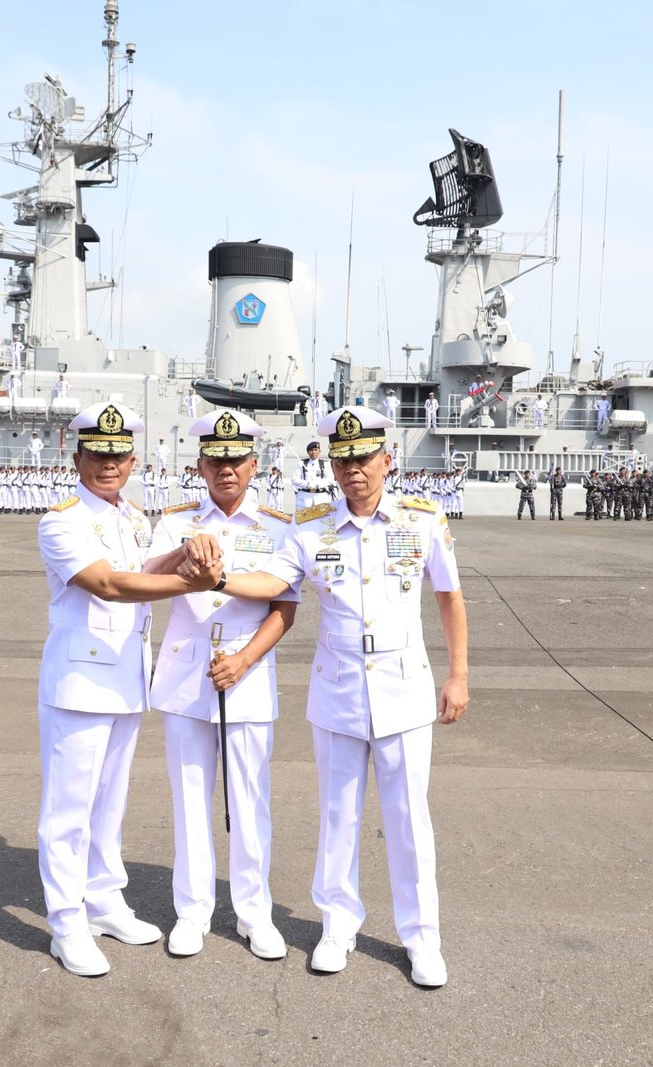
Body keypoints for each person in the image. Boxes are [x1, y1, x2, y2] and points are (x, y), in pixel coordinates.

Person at [208, 404, 469, 988]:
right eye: (343, 460)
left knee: (409, 819)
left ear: (387, 460)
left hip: (403, 687)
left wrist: (458, 676)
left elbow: (449, 598)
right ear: (331, 466)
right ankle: (337, 926)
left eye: (364, 458)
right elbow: (273, 583)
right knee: (338, 815)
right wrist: (219, 579)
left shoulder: (423, 520)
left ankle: (422, 938)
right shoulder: (309, 529)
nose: (355, 470)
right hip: (338, 690)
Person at [35, 402, 221, 977]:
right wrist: (193, 581)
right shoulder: (62, 521)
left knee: (109, 802)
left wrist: (185, 551)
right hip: (80, 681)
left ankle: (103, 900)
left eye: (118, 455)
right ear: (77, 459)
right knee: (69, 809)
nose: (108, 464)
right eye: (97, 454)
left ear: (133, 460)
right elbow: (111, 585)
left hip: (125, 678)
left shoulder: (133, 517)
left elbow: (143, 565)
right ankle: (66, 923)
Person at [148, 408, 298, 960]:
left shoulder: (279, 526)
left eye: (236, 460)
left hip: (247, 674)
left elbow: (284, 608)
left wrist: (244, 661)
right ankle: (192, 912)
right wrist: (184, 554)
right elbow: (146, 578)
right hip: (186, 674)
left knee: (250, 800)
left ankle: (254, 913)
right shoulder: (176, 522)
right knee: (190, 799)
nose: (226, 470)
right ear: (200, 467)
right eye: (216, 461)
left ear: (254, 465)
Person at [293, 441, 331, 508]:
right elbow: (294, 479)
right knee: (303, 514)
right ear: (308, 452)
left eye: (315, 450)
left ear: (319, 451)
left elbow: (330, 479)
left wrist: (318, 485)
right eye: (311, 450)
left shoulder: (325, 464)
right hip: (305, 497)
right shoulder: (301, 463)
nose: (313, 452)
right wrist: (307, 484)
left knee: (323, 515)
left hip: (321, 496)